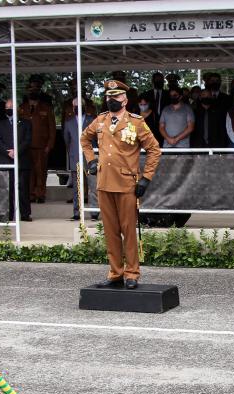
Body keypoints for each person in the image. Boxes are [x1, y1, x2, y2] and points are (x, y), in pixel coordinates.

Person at [80, 80, 161, 289]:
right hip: (104, 183)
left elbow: (154, 149)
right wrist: (90, 160)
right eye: (108, 97)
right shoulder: (100, 121)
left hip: (126, 184)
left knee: (128, 231)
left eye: (115, 97)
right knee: (110, 231)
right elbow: (84, 139)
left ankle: (132, 273)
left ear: (124, 99)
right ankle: (115, 273)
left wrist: (146, 178)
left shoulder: (136, 122)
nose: (111, 100)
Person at [0, 99, 32, 222]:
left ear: (17, 109)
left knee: (23, 189)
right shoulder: (0, 124)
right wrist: (8, 151)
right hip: (6, 161)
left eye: (11, 107)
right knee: (8, 190)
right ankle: (9, 215)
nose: (9, 109)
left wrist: (16, 151)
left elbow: (27, 140)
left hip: (22, 161)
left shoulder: (26, 123)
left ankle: (25, 214)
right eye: (7, 107)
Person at [20, 86, 56, 203]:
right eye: (30, 90)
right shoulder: (22, 108)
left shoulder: (46, 108)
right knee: (28, 172)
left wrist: (49, 145)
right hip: (25, 147)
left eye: (35, 90)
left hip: (41, 147)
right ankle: (30, 194)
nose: (33, 92)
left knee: (41, 172)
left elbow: (52, 128)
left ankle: (40, 194)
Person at [63, 98, 95, 221]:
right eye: (75, 105)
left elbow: (96, 140)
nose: (77, 107)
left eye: (80, 105)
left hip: (90, 157)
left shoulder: (92, 121)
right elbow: (67, 140)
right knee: (77, 187)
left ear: (84, 106)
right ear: (72, 107)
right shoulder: (68, 122)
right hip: (75, 157)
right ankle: (77, 212)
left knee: (92, 185)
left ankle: (94, 212)